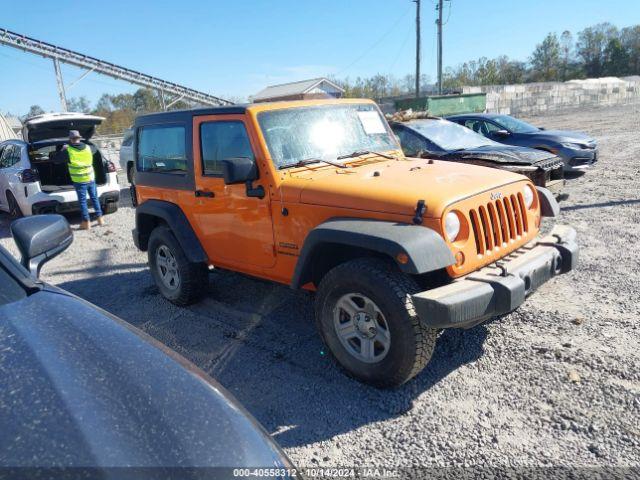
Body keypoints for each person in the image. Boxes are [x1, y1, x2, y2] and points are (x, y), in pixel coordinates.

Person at [61, 130, 105, 230]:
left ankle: (86, 222)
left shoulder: (68, 150)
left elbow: (56, 159)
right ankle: (100, 219)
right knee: (94, 198)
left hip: (79, 180)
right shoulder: (88, 148)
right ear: (79, 138)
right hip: (90, 178)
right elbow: (95, 150)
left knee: (83, 202)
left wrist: (63, 149)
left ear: (70, 140)